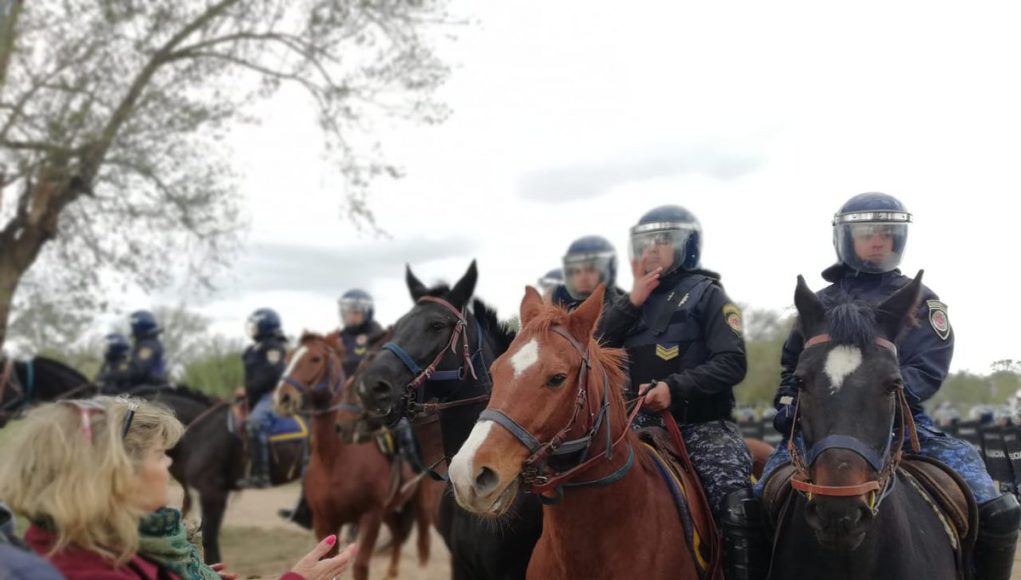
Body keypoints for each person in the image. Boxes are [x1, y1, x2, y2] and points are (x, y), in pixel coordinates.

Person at [756, 192, 1019, 580]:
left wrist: (874, 395)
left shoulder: (923, 302)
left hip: (907, 426)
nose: (879, 241)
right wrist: (789, 404)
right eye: (868, 233)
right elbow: (792, 366)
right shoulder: (818, 304)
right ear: (846, 239)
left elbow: (928, 369)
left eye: (887, 233)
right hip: (823, 430)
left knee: (997, 507)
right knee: (747, 505)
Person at [0, 396, 356, 579]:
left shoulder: (114, 545)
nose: (170, 465)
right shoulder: (91, 570)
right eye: (161, 455)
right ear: (116, 474)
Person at [600, 204, 764, 580]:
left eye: (663, 240)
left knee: (735, 502)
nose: (652, 248)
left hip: (701, 425)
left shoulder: (709, 296)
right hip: (634, 423)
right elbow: (592, 349)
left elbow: (731, 362)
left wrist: (674, 389)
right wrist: (631, 302)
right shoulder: (627, 304)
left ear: (687, 246)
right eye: (645, 242)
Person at [237, 309, 288, 489]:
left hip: (271, 394)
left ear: (265, 326)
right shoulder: (253, 348)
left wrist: (247, 390)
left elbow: (272, 375)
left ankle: (261, 476)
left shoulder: (274, 346)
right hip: (254, 396)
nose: (252, 329)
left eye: (255, 325)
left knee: (255, 422)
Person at [550, 235, 626, 315]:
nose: (583, 278)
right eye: (577, 271)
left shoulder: (621, 313)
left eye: (590, 270)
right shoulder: (566, 307)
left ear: (609, 270)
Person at [332, 289, 386, 377]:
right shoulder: (340, 337)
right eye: (347, 312)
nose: (350, 316)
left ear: (367, 313)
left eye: (355, 312)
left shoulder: (377, 336)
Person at [125, 310, 169, 390]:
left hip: (150, 388)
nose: (132, 329)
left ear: (140, 326)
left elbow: (138, 370)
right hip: (143, 386)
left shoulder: (148, 346)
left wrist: (115, 376)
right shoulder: (144, 343)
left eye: (133, 326)